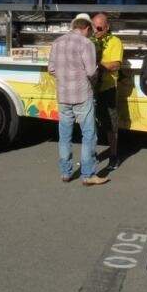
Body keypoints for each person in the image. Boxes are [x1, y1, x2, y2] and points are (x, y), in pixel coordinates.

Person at [48, 13, 108, 186]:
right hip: (82, 95)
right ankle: (88, 174)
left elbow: (51, 68)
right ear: (87, 28)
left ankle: (65, 172)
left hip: (63, 95)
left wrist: (65, 77)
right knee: (88, 135)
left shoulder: (57, 42)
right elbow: (90, 72)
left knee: (65, 135)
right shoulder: (86, 43)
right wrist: (94, 76)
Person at [91, 12, 123, 171]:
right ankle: (92, 154)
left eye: (99, 28)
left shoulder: (115, 41)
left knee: (111, 124)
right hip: (91, 88)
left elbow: (116, 64)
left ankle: (113, 155)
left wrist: (98, 64)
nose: (95, 31)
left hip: (107, 88)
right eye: (93, 27)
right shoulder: (90, 41)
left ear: (107, 27)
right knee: (91, 124)